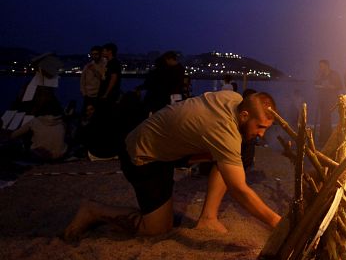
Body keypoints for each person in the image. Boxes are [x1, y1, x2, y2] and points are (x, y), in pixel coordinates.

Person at [64, 90, 282, 239]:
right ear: (244, 115)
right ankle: (93, 211)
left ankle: (208, 218)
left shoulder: (234, 98)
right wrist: (275, 222)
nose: (262, 135)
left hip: (168, 148)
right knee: (156, 230)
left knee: (237, 151)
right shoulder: (223, 132)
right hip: (143, 156)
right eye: (260, 127)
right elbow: (239, 190)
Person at [7, 88, 67, 161]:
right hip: (59, 155)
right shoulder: (62, 123)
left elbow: (13, 135)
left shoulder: (34, 121)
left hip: (39, 155)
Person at [314, 59, 342, 145]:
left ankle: (327, 138)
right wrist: (318, 83)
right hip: (322, 99)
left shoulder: (334, 74)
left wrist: (331, 87)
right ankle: (323, 137)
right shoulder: (321, 75)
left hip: (331, 99)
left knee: (327, 118)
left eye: (322, 66)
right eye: (320, 66)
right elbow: (315, 85)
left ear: (327, 66)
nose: (320, 68)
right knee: (323, 118)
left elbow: (339, 86)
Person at [79, 45, 105, 113]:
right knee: (85, 114)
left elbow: (103, 79)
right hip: (88, 95)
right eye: (92, 54)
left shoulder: (104, 65)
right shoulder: (87, 66)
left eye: (96, 54)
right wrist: (84, 94)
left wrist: (94, 70)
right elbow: (82, 81)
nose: (94, 56)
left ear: (100, 54)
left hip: (98, 95)